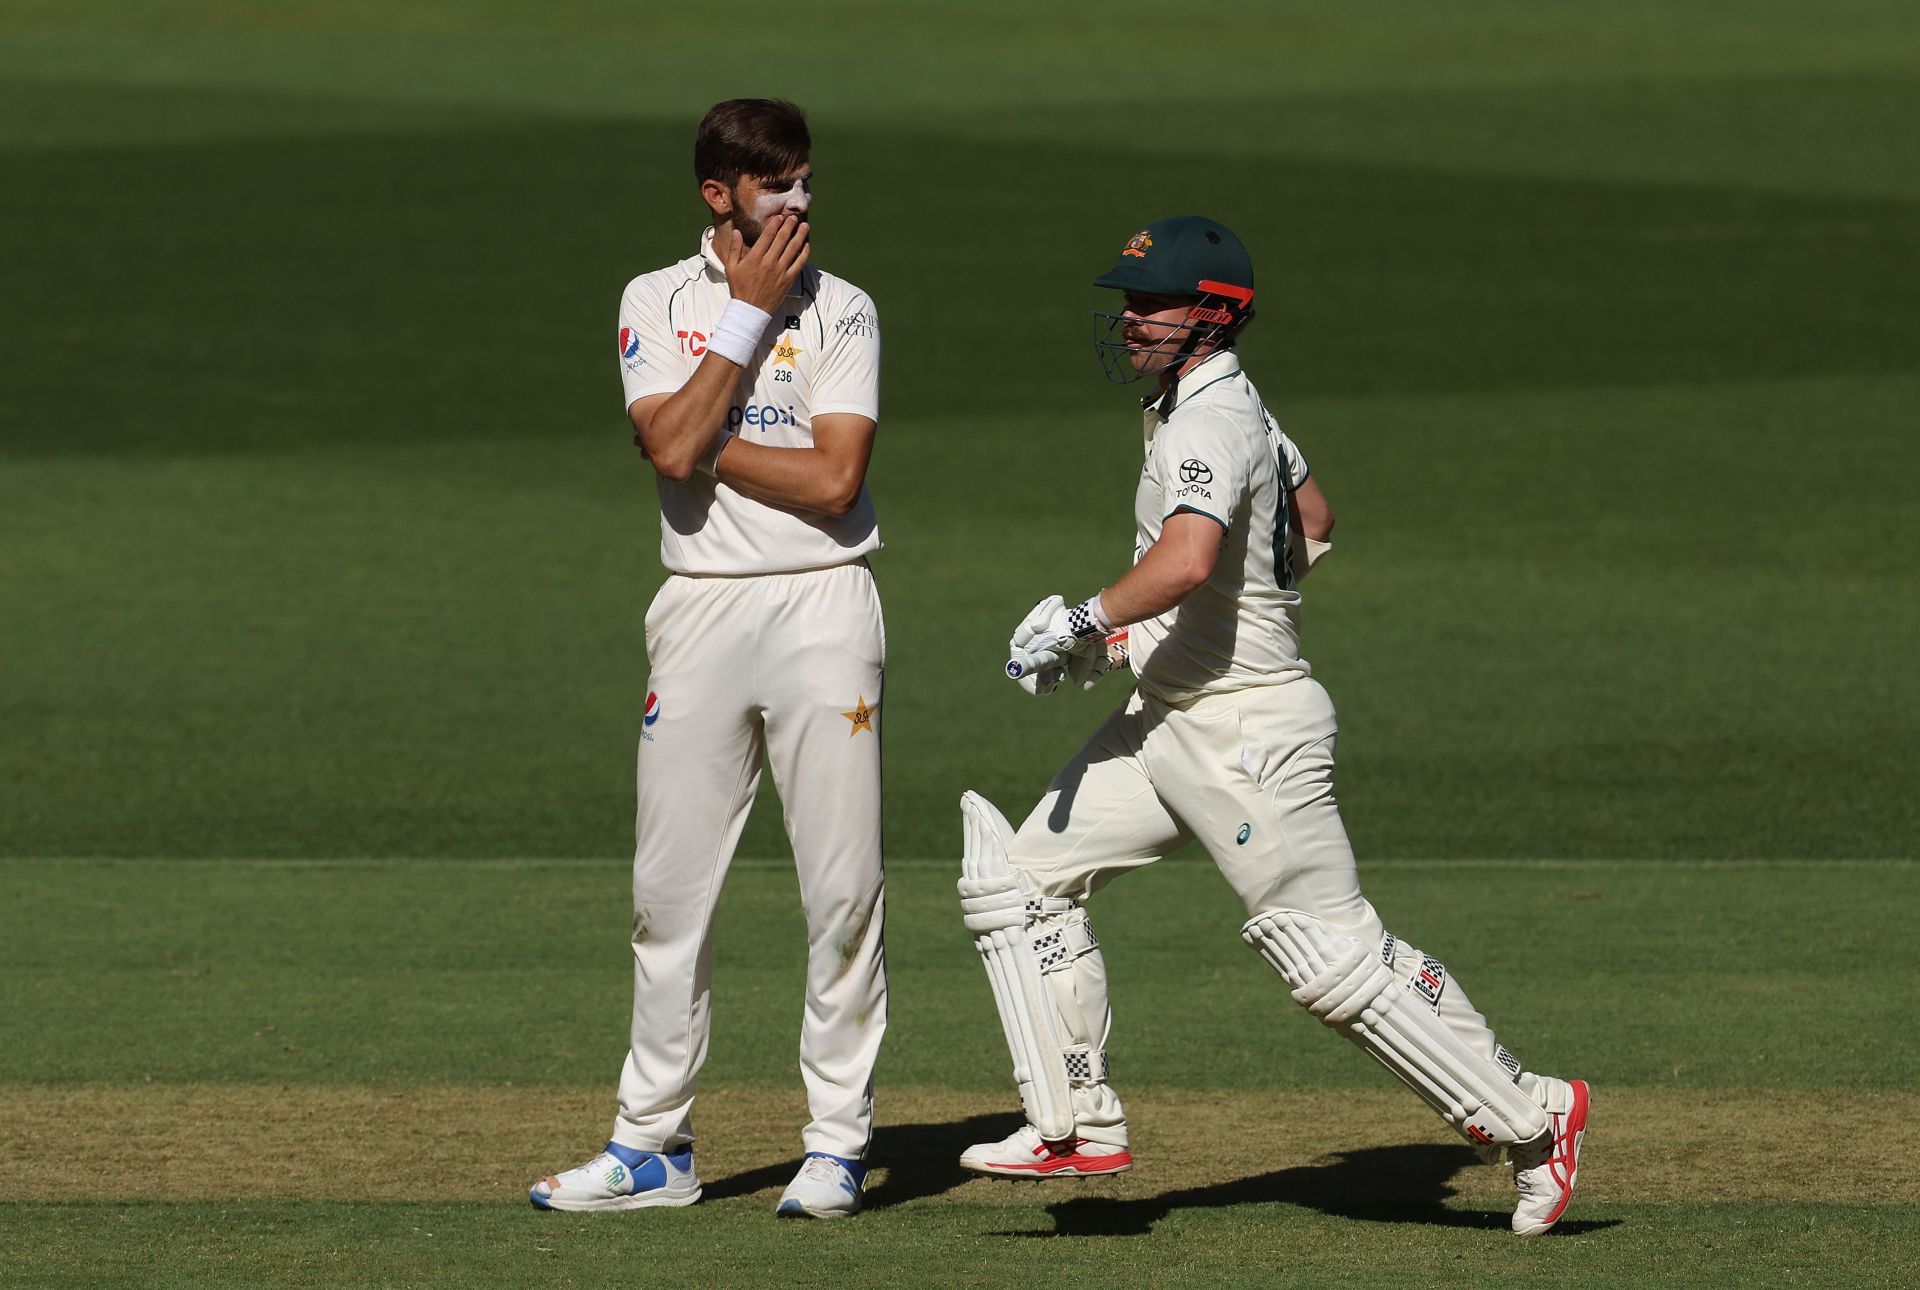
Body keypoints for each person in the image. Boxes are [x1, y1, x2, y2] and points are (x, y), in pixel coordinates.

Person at [956, 215, 1588, 1236]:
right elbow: (1315, 518)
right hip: (1169, 719)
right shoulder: (1211, 402)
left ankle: (1537, 1116)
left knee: (1328, 958)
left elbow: (1192, 557)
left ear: (1213, 314)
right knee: (1018, 883)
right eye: (1127, 301)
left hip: (1249, 736)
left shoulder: (1210, 419)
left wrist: (1091, 617)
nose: (1130, 321)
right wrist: (1147, 641)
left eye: (1151, 304)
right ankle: (1076, 1125)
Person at [530, 99, 887, 1220]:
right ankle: (653, 1148)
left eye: (807, 181)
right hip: (698, 611)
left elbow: (830, 484)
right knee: (666, 894)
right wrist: (743, 318)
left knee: (841, 892)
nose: (799, 205)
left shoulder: (848, 308)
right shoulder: (657, 299)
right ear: (718, 195)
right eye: (776, 185)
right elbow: (668, 446)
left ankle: (835, 1143)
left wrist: (703, 439)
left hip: (825, 606)